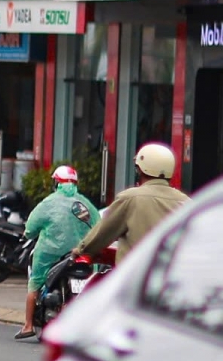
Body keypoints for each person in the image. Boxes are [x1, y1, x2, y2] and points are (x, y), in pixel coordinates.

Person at [17, 165, 99, 341]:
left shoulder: (48, 203)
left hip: (50, 254)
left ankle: (28, 325)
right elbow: (99, 225)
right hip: (82, 254)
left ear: (56, 183)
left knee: (36, 282)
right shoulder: (85, 203)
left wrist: (27, 234)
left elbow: (31, 227)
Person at [76, 142, 190, 260]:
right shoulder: (187, 203)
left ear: (140, 170)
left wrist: (80, 250)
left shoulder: (130, 198)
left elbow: (102, 233)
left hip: (135, 275)